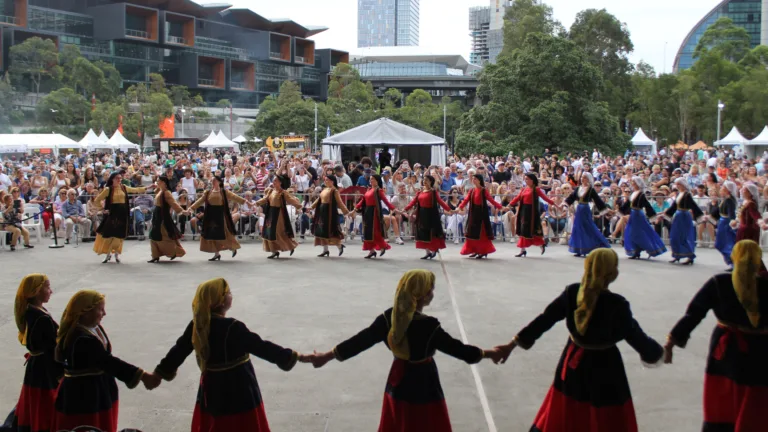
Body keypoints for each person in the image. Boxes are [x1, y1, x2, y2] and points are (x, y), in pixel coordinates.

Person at [309, 270, 503, 430]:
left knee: (399, 422)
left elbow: (360, 341)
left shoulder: (388, 318)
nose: (433, 293)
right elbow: (459, 350)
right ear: (422, 295)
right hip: (425, 383)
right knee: (424, 422)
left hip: (398, 380)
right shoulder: (429, 326)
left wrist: (327, 356)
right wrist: (489, 353)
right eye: (431, 289)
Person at [493, 249, 663, 432]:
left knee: (567, 412)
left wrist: (512, 345)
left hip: (572, 364)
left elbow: (544, 320)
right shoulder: (618, 305)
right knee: (605, 416)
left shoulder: (572, 293)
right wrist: (658, 352)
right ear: (612, 273)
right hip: (606, 369)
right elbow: (636, 336)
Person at [153, 278, 309, 432]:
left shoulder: (198, 324)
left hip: (212, 385)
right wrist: (296, 356)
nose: (231, 295)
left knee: (216, 423)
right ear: (220, 301)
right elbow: (261, 347)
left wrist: (159, 374)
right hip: (238, 387)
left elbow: (179, 350)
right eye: (228, 292)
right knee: (240, 424)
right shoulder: (232, 327)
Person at [664, 240, 768, 432]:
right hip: (761, 353)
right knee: (755, 399)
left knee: (723, 400)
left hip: (725, 352)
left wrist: (672, 341)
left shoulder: (719, 283)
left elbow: (694, 314)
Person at [51, 290, 158, 432]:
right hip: (84, 395)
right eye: (100, 310)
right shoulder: (80, 338)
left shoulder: (92, 328)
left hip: (98, 390)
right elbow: (107, 362)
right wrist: (142, 375)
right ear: (85, 312)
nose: (104, 313)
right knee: (87, 425)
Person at [8, 274, 62, 432]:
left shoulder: (32, 311)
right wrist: (60, 374)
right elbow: (51, 349)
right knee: (45, 403)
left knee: (33, 402)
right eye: (47, 287)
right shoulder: (41, 318)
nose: (50, 291)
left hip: (37, 365)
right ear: (36, 291)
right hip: (44, 368)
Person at [92, 172, 153, 263]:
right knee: (109, 234)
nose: (119, 180)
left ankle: (116, 254)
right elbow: (97, 200)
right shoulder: (108, 189)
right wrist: (103, 209)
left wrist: (147, 188)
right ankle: (108, 254)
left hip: (122, 213)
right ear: (112, 179)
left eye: (120, 178)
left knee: (119, 235)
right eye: (117, 178)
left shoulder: (123, 187)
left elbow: (134, 190)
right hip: (112, 213)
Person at [188, 176, 245, 261]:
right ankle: (216, 254)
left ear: (219, 182)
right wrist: (191, 208)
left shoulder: (224, 192)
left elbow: (235, 197)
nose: (213, 182)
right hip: (211, 216)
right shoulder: (208, 192)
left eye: (214, 180)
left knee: (225, 233)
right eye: (212, 180)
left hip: (220, 215)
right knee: (212, 234)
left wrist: (245, 201)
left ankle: (232, 248)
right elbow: (200, 201)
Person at [403, 175, 452, 260]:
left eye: (427, 180)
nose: (424, 181)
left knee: (431, 233)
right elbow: (414, 202)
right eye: (424, 180)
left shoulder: (433, 192)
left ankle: (433, 249)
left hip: (430, 215)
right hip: (421, 214)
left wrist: (449, 209)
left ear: (431, 182)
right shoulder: (420, 192)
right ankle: (427, 252)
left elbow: (440, 202)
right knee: (423, 233)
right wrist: (405, 209)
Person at [507, 173, 557, 257]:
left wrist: (554, 204)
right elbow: (518, 198)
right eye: (525, 179)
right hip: (524, 211)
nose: (525, 180)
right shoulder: (523, 189)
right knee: (523, 230)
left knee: (531, 230)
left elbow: (545, 198)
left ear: (532, 180)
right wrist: (509, 205)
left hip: (532, 212)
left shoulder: (536, 189)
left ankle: (540, 245)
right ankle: (523, 249)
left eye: (527, 179)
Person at [253, 174, 302, 259]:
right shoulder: (271, 191)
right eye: (274, 180)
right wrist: (256, 203)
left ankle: (290, 246)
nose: (274, 182)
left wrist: (300, 206)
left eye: (275, 181)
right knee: (269, 232)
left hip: (279, 214)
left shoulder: (283, 192)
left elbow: (291, 200)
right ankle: (274, 251)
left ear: (280, 183)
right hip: (270, 213)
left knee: (278, 233)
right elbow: (265, 199)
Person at [619, 177, 667, 259]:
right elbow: (627, 204)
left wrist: (653, 217)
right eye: (632, 182)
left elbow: (647, 206)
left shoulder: (641, 194)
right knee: (631, 232)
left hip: (638, 215)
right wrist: (619, 211)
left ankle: (650, 248)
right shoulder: (634, 193)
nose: (632, 184)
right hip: (633, 214)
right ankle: (636, 251)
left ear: (638, 183)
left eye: (634, 182)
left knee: (639, 233)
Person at [564, 172, 610, 257]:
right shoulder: (578, 188)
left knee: (588, 227)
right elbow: (571, 197)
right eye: (582, 177)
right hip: (578, 210)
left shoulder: (590, 189)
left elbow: (597, 200)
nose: (582, 179)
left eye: (584, 177)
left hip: (585, 209)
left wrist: (604, 210)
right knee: (577, 228)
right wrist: (565, 204)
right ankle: (579, 248)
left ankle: (598, 244)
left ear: (588, 179)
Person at [662, 178, 704, 265]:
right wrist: (665, 215)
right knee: (674, 236)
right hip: (678, 216)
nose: (677, 186)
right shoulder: (678, 194)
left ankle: (689, 256)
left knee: (684, 236)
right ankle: (677, 255)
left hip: (684, 216)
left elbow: (694, 206)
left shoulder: (687, 194)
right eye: (676, 184)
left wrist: (700, 216)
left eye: (679, 184)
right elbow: (673, 207)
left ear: (683, 185)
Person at [353, 174, 396, 259]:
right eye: (370, 179)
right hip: (367, 212)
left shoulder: (378, 191)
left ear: (377, 180)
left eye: (373, 179)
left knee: (375, 231)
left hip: (375, 213)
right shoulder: (369, 189)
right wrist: (355, 209)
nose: (371, 180)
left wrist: (393, 208)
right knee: (368, 232)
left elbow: (386, 201)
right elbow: (362, 201)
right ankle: (371, 250)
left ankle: (383, 246)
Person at [147, 176, 186, 263]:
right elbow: (156, 193)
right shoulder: (160, 191)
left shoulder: (166, 192)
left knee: (163, 236)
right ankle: (155, 255)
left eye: (158, 181)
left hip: (162, 217)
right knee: (153, 235)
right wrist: (156, 187)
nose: (157, 182)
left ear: (164, 182)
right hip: (157, 216)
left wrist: (182, 211)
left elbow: (173, 203)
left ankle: (176, 251)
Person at [311, 175, 352, 257]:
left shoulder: (334, 191)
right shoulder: (324, 190)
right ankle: (325, 250)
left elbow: (340, 203)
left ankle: (340, 246)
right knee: (322, 231)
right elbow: (318, 200)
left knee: (331, 231)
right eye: (325, 180)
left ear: (332, 181)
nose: (325, 181)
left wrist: (346, 212)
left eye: (327, 180)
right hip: (322, 212)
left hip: (329, 214)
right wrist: (311, 207)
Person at [715, 181, 739, 271]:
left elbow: (731, 213)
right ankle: (731, 261)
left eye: (723, 188)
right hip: (722, 222)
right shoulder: (726, 199)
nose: (721, 189)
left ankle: (733, 262)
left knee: (726, 243)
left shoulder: (729, 200)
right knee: (721, 243)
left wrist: (732, 221)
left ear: (728, 190)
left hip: (725, 223)